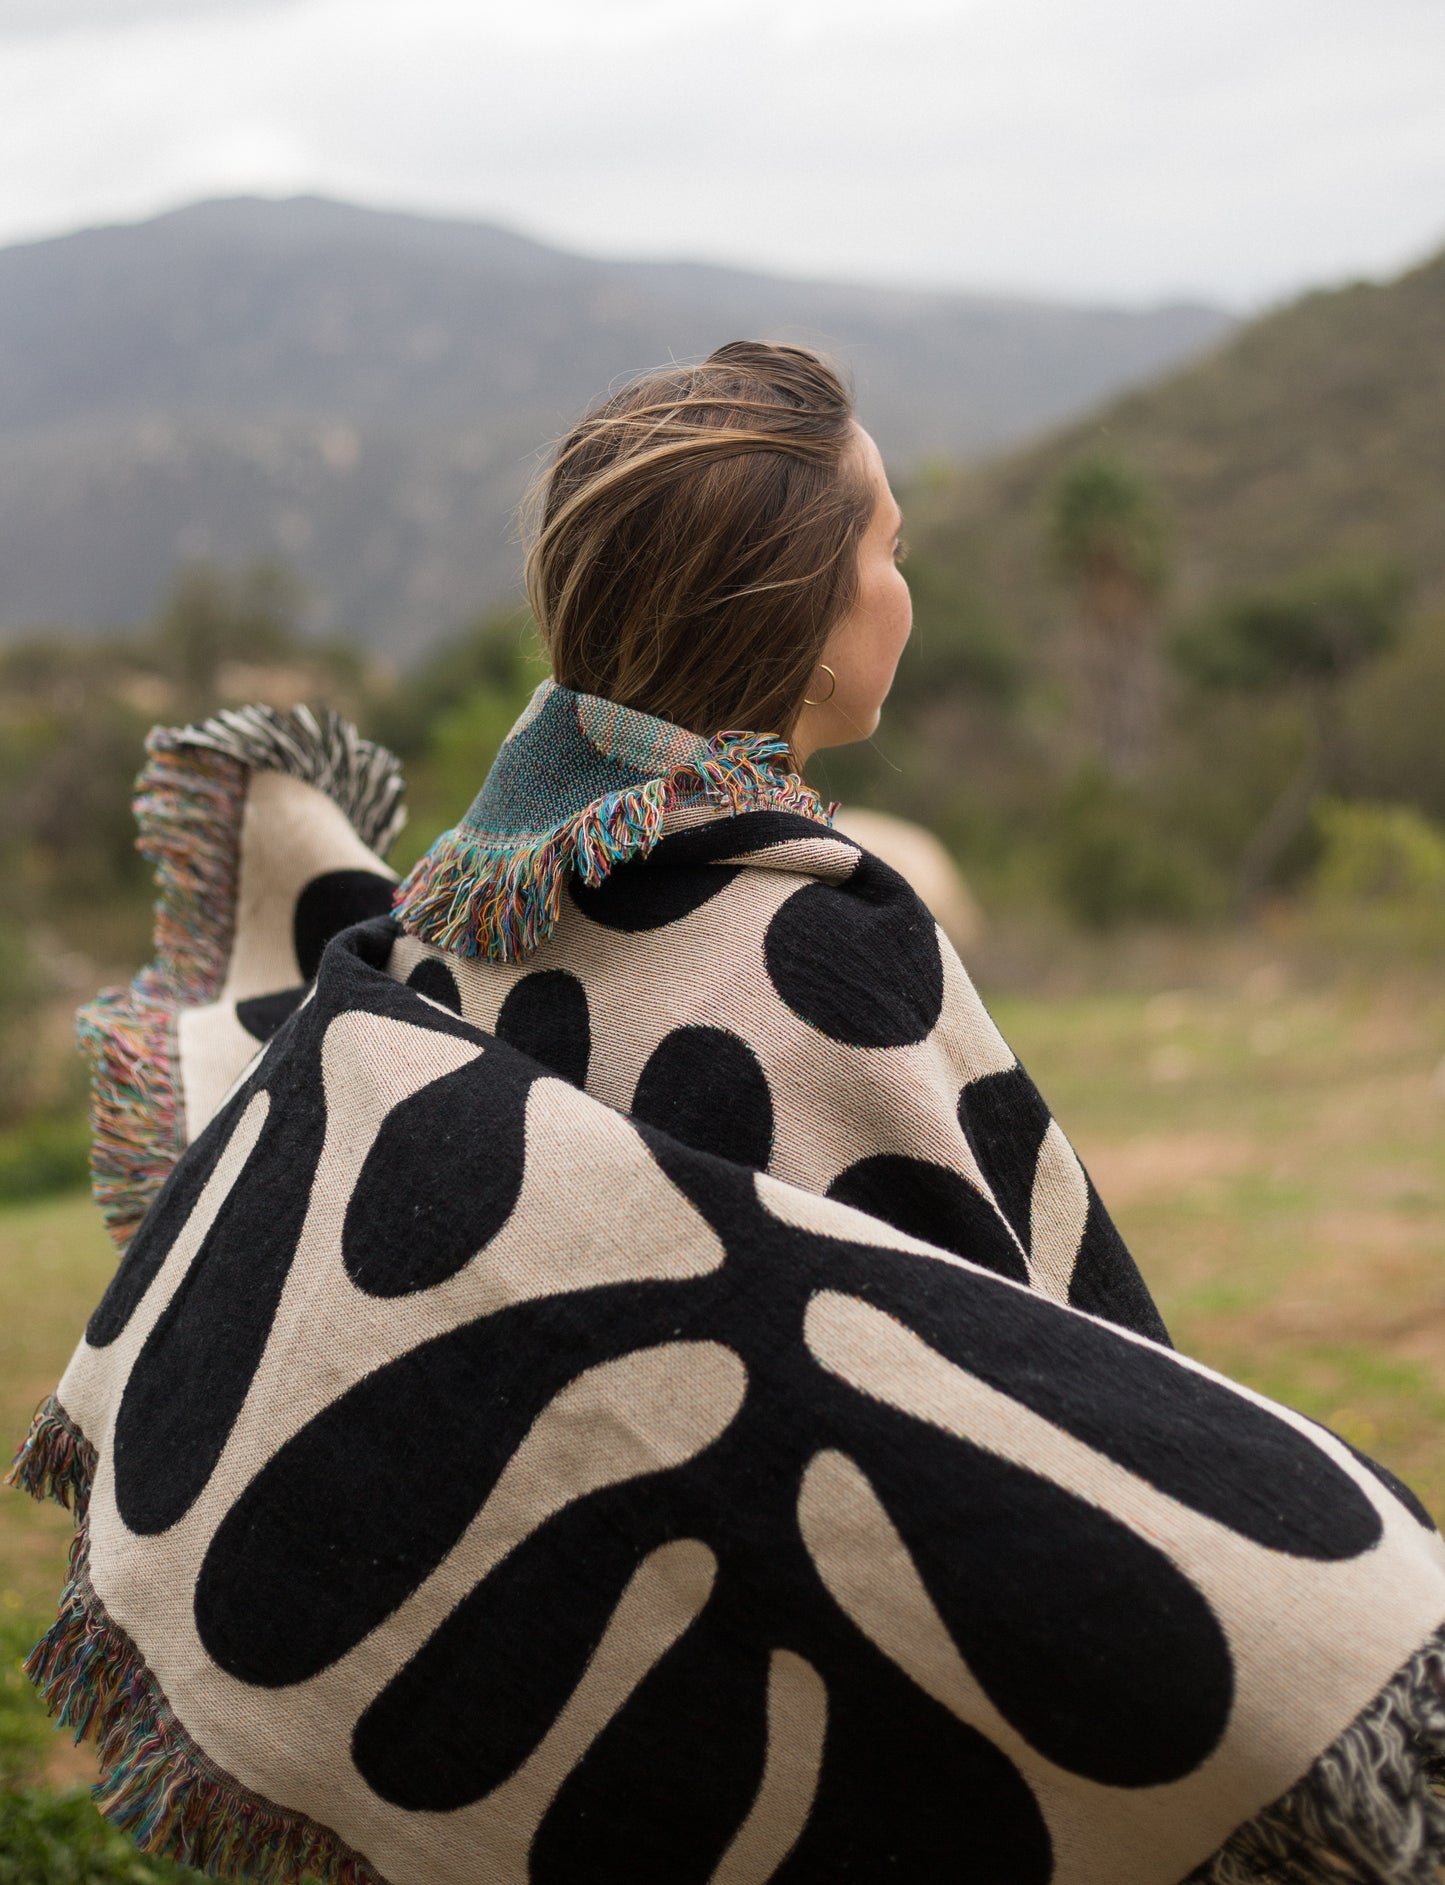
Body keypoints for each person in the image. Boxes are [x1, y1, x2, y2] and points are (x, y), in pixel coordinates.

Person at [14, 342, 1445, 1885]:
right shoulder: (830, 942)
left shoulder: (456, 923)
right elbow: (1049, 1378)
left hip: (591, 1713)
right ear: (802, 623)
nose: (908, 580)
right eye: (887, 545)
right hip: (842, 1735)